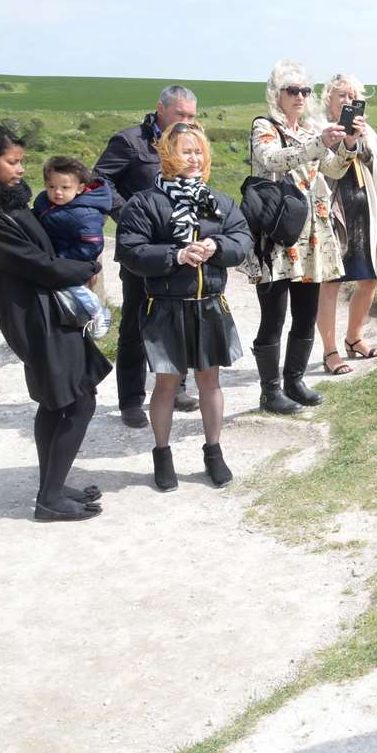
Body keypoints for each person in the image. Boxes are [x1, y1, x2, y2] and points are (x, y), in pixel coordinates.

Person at [0, 124, 112, 522]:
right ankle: (50, 499)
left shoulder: (11, 202)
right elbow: (36, 264)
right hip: (33, 318)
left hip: (48, 311)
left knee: (56, 402)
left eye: (21, 161)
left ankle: (52, 485)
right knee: (77, 402)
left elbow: (47, 246)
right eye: (11, 162)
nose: (20, 170)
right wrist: (84, 266)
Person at [116, 123, 251, 490]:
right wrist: (175, 254)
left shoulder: (217, 201)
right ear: (166, 155)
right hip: (165, 307)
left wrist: (217, 247)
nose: (193, 158)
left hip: (210, 304)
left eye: (198, 152)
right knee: (166, 383)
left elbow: (243, 239)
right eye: (185, 151)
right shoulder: (146, 203)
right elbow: (130, 250)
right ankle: (162, 455)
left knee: (211, 381)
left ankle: (214, 452)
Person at [244, 60, 353, 413]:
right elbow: (271, 159)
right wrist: (318, 144)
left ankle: (294, 380)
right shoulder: (264, 126)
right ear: (277, 95)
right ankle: (269, 390)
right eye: (293, 91)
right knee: (273, 317)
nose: (301, 97)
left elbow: (333, 169)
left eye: (305, 91)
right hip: (277, 234)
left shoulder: (309, 131)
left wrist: (348, 144)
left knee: (305, 314)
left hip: (311, 235)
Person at [94, 84, 201, 426]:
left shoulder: (190, 142)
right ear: (160, 109)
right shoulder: (130, 142)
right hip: (141, 249)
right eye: (179, 114)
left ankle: (177, 387)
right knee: (137, 322)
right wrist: (127, 213)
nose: (185, 121)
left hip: (180, 246)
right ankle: (131, 400)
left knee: (178, 319)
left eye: (191, 116)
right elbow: (99, 179)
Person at [315, 74, 377, 376]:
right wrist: (341, 141)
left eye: (352, 96)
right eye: (341, 95)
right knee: (331, 283)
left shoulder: (368, 131)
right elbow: (318, 166)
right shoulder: (320, 130)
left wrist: (364, 141)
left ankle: (354, 337)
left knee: (369, 279)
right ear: (329, 99)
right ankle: (330, 351)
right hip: (334, 212)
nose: (347, 101)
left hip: (365, 213)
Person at [33, 155, 114, 339]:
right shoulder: (44, 201)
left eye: (65, 187)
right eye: (51, 187)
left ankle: (98, 312)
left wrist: (61, 258)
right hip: (50, 257)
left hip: (74, 260)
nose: (57, 192)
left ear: (80, 188)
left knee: (74, 289)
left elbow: (92, 245)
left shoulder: (85, 214)